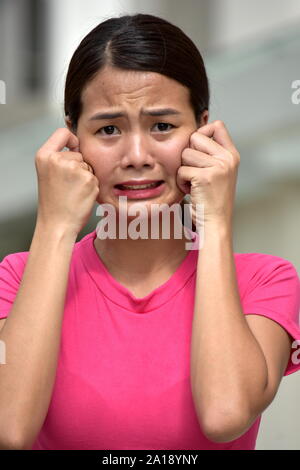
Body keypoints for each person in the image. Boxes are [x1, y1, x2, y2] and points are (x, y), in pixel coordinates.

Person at [0, 13, 299, 451]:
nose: (137, 155)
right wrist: (55, 224)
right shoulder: (17, 279)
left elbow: (224, 415)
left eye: (162, 125)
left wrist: (214, 223)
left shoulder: (266, 282)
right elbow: (9, 427)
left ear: (202, 130)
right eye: (108, 129)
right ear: (71, 140)